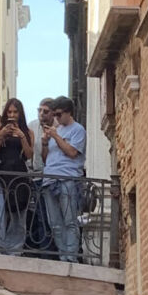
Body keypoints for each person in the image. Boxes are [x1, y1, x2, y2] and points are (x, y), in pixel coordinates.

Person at [41, 92, 87, 264]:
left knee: (70, 221)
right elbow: (45, 158)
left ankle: (71, 257)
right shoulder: (56, 131)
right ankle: (63, 256)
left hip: (67, 180)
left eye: (59, 114)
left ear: (68, 112)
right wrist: (45, 142)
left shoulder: (78, 130)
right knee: (55, 224)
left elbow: (72, 152)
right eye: (54, 115)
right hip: (49, 180)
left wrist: (56, 137)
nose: (56, 118)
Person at [0, 99, 34, 254]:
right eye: (9, 112)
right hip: (2, 170)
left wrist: (22, 136)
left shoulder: (28, 132)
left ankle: (15, 249)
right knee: (0, 211)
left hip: (20, 172)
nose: (12, 115)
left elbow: (29, 155)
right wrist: (1, 136)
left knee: (19, 210)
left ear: (20, 113)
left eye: (15, 112)